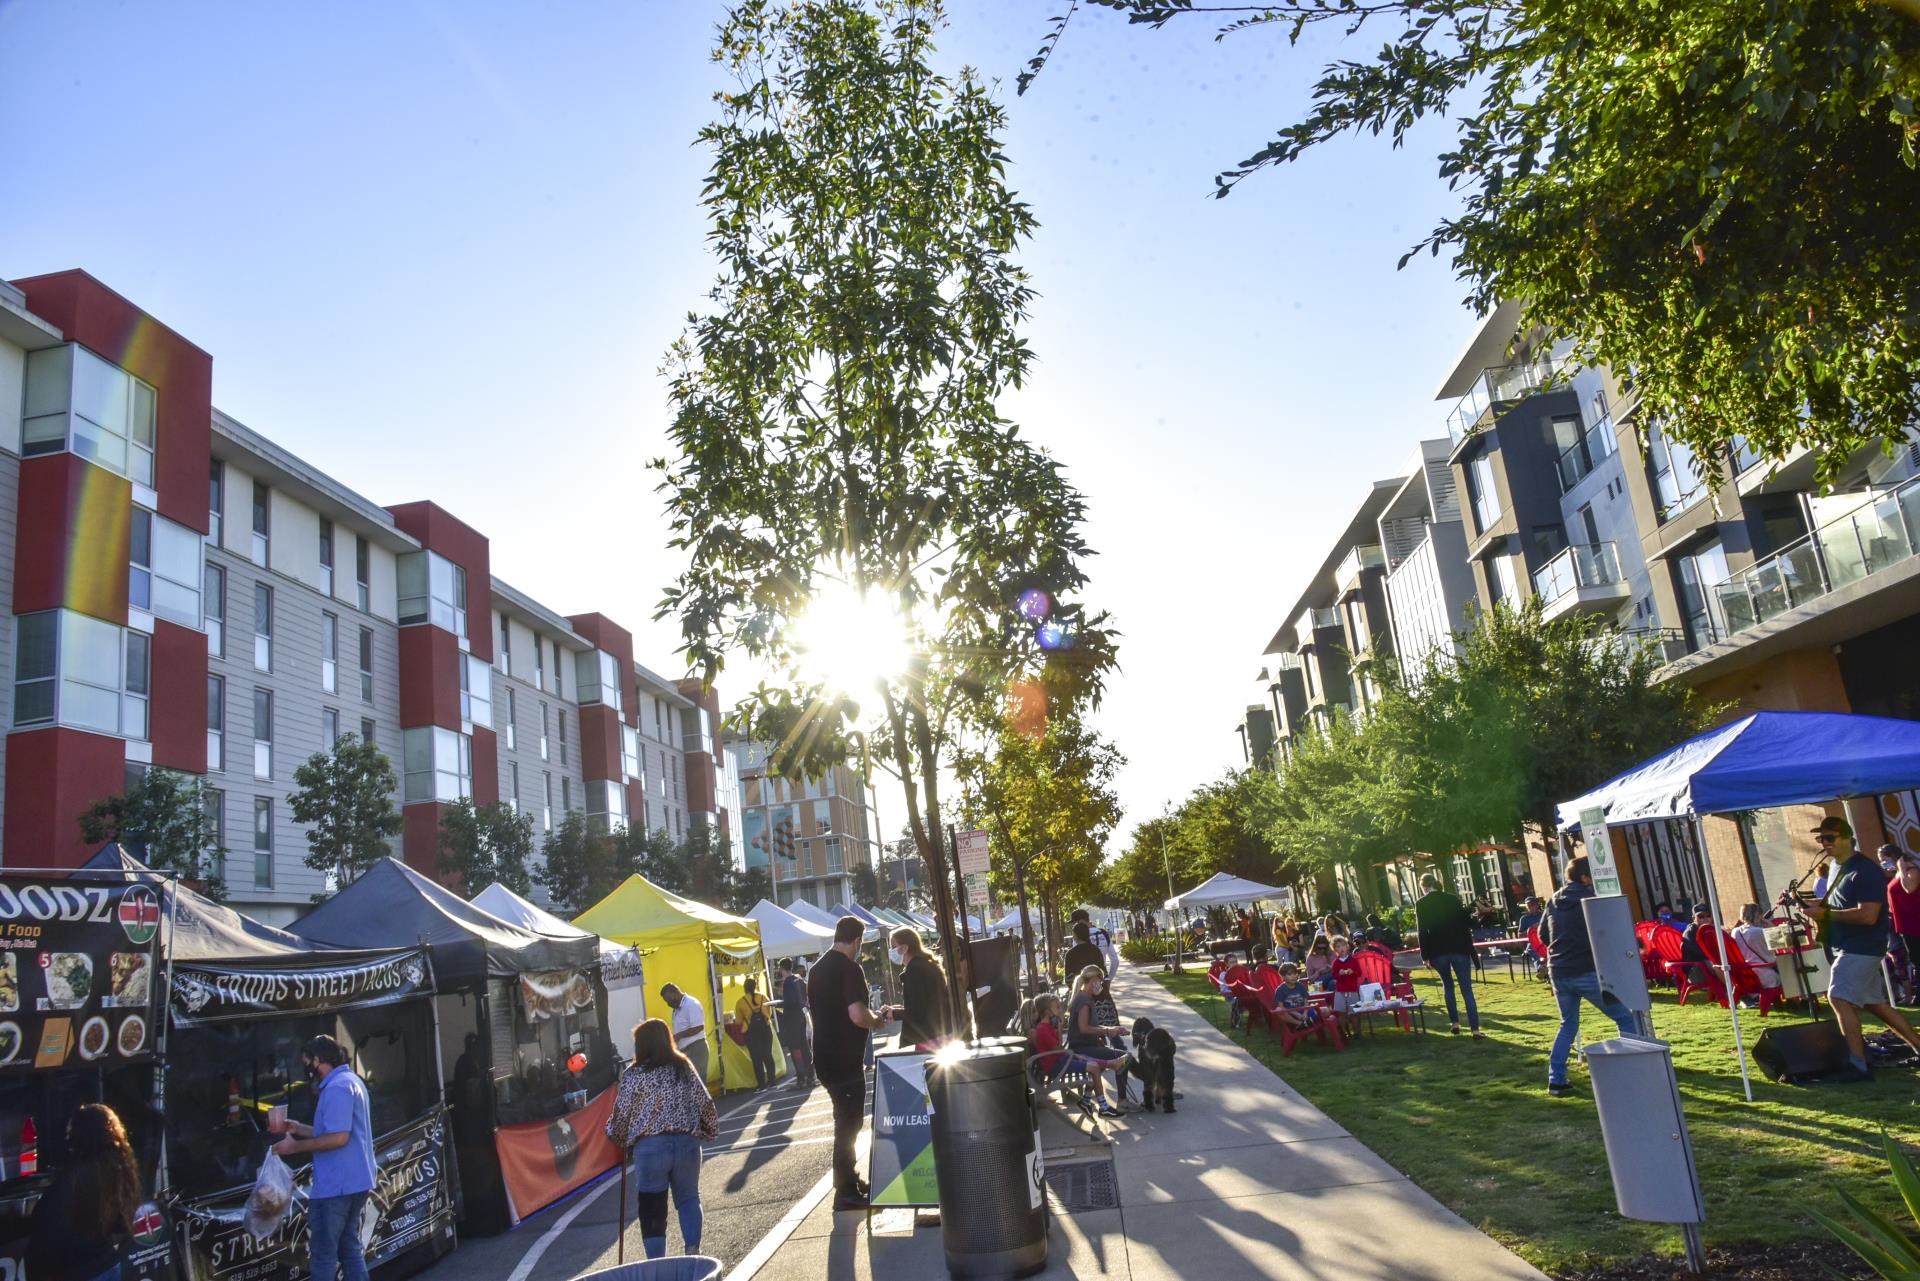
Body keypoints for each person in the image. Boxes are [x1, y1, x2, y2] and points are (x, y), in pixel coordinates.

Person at [1803, 817, 1920, 1076]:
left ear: (1847, 838)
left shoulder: (1865, 870)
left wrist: (1826, 915)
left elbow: (1868, 915)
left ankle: (1857, 1064)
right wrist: (1811, 905)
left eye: (1830, 838)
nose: (1824, 844)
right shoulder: (1835, 866)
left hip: (1863, 946)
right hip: (1846, 944)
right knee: (1875, 1004)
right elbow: (1839, 903)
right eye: (1821, 839)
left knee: (1838, 997)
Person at [606, 1018, 720, 1259]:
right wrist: (709, 1130)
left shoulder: (633, 1075)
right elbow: (705, 1102)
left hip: (650, 1148)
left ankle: (658, 1266)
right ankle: (692, 1251)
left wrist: (616, 1136)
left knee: (652, 1208)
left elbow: (621, 1118)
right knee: (688, 1197)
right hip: (687, 1142)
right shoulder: (682, 1065)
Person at [270, 1036, 376, 1281]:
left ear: (317, 1061)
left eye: (307, 1062)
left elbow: (338, 1138)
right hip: (355, 1181)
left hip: (336, 1186)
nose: (306, 1068)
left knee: (324, 1253)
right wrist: (298, 1127)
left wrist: (294, 1147)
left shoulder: (338, 1087)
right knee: (349, 1247)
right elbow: (333, 1131)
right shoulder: (350, 1081)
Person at [810, 917, 891, 1210]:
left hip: (823, 1055)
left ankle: (849, 1180)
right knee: (849, 1123)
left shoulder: (817, 969)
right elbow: (858, 1015)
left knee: (844, 1120)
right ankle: (845, 1190)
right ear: (857, 941)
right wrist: (877, 1021)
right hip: (844, 1057)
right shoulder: (850, 968)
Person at [1540, 857, 1638, 1097]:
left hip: (1558, 970)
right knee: (1626, 1017)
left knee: (1568, 1024)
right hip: (1585, 969)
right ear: (1584, 877)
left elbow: (1543, 935)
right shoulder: (1591, 899)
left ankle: (1556, 1079)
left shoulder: (1553, 900)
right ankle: (1634, 1068)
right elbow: (1609, 930)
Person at [26, 1103, 139, 1281]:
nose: (68, 1137)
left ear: (82, 1135)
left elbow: (46, 1224)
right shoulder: (118, 1169)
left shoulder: (75, 1178)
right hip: (108, 1262)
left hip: (78, 1271)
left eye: (71, 1132)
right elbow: (122, 1223)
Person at [1415, 874, 1483, 1037]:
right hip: (1459, 948)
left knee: (1448, 987)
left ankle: (1455, 1023)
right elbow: (1465, 921)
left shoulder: (1421, 904)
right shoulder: (1452, 899)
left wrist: (1425, 956)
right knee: (1467, 989)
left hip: (1438, 951)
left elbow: (1422, 931)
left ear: (1424, 887)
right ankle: (1475, 1029)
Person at [1066, 966, 1130, 1118]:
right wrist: (1107, 1031)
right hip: (1082, 1049)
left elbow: (1091, 1027)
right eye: (1100, 981)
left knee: (1105, 1060)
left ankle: (1086, 1100)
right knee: (1125, 1058)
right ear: (1093, 980)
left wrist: (1113, 1028)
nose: (1101, 985)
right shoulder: (1085, 1001)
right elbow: (1084, 1028)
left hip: (1085, 1046)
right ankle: (1122, 1101)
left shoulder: (1083, 997)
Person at [887, 927, 956, 1049]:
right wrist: (900, 1009)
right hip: (941, 1033)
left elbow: (916, 1012)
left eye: (893, 946)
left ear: (905, 948)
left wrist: (893, 1013)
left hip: (927, 1038)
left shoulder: (915, 970)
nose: (891, 951)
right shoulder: (927, 964)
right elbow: (925, 1002)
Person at [1881, 845, 1920, 1005]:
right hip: (1901, 923)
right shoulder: (1896, 873)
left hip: (1915, 921)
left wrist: (1902, 868)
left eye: (1884, 859)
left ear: (1894, 856)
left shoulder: (1912, 871)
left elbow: (1909, 888)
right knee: (1913, 958)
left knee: (1917, 957)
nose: (1883, 863)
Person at [775, 958, 814, 1089]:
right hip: (802, 1015)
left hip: (792, 1019)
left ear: (781, 969)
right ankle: (810, 1076)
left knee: (795, 1048)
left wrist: (778, 1004)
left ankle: (801, 1078)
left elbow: (790, 1002)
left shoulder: (788, 982)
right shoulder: (799, 979)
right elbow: (804, 995)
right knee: (804, 1047)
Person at [660, 984, 709, 1084]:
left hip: (696, 1048)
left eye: (668, 999)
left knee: (698, 1082)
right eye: (666, 1001)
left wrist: (678, 1036)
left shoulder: (691, 1004)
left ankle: (702, 1100)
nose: (668, 1003)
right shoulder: (677, 1009)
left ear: (675, 992)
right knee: (688, 1083)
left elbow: (699, 1027)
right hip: (685, 1050)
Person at [735, 977, 778, 1091]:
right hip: (765, 1029)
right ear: (755, 986)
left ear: (744, 989)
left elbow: (738, 1021)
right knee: (767, 1055)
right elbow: (769, 1014)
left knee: (756, 1058)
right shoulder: (764, 997)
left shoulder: (740, 1002)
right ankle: (772, 1082)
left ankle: (761, 1085)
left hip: (750, 1033)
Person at [1730, 903, 1781, 993]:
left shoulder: (1735, 931)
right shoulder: (1760, 932)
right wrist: (1771, 926)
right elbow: (1780, 944)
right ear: (1758, 915)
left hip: (1745, 974)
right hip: (1764, 974)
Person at [1328, 936, 1363, 1035]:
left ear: (1347, 947)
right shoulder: (1336, 963)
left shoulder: (1353, 960)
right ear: (1335, 950)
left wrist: (1352, 972)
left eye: (1343, 945)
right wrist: (1340, 973)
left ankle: (1357, 1032)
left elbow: (1359, 973)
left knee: (1354, 1013)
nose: (1342, 948)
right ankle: (1343, 1034)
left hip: (1352, 990)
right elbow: (1334, 975)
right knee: (1341, 1013)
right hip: (1340, 991)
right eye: (1338, 947)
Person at [1070, 908, 1121, 975]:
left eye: (1074, 923)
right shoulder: (1104, 933)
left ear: (1081, 921)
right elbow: (1115, 961)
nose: (1074, 926)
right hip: (1101, 977)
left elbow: (1076, 960)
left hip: (1085, 980)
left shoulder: (1078, 936)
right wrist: (1109, 978)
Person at [1269, 963, 1318, 1030]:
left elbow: (1306, 1002)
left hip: (1303, 1011)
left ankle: (1306, 1023)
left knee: (1324, 1010)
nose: (1293, 976)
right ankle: (1300, 1024)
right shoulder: (1280, 990)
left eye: (1295, 973)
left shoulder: (1300, 986)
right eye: (1289, 974)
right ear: (1282, 976)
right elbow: (1281, 1007)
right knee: (1278, 1010)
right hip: (1290, 1014)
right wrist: (1296, 1014)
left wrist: (1305, 1013)